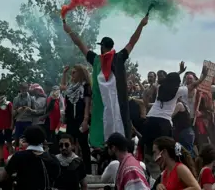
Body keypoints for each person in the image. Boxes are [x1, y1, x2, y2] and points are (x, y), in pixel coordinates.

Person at [63, 14, 149, 150]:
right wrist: (141, 25)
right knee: (118, 124)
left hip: (100, 105)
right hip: (118, 105)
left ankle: (102, 150)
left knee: (101, 126)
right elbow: (132, 41)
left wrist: (68, 30)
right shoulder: (120, 57)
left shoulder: (96, 59)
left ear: (102, 47)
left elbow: (80, 44)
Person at [143, 68, 207, 178]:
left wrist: (179, 72)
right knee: (169, 151)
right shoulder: (179, 90)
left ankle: (149, 175)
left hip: (150, 120)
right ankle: (169, 174)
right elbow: (193, 86)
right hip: (163, 123)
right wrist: (202, 77)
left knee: (149, 151)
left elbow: (147, 95)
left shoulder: (160, 88)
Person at [0, 125, 61, 190]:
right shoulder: (52, 159)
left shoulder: (19, 156)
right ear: (44, 140)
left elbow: (2, 178)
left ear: (26, 139)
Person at [60, 65, 92, 174]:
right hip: (70, 119)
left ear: (80, 74)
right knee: (69, 142)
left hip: (80, 118)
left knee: (83, 144)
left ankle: (87, 170)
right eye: (71, 72)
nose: (72, 74)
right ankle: (69, 167)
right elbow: (62, 86)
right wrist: (64, 73)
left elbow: (87, 104)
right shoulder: (70, 86)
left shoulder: (85, 86)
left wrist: (85, 120)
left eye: (74, 72)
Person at [0, 93, 14, 167]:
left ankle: (11, 159)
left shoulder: (9, 104)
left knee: (9, 143)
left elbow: (12, 115)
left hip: (8, 126)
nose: (0, 98)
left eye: (1, 96)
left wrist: (12, 125)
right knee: (0, 144)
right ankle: (1, 160)